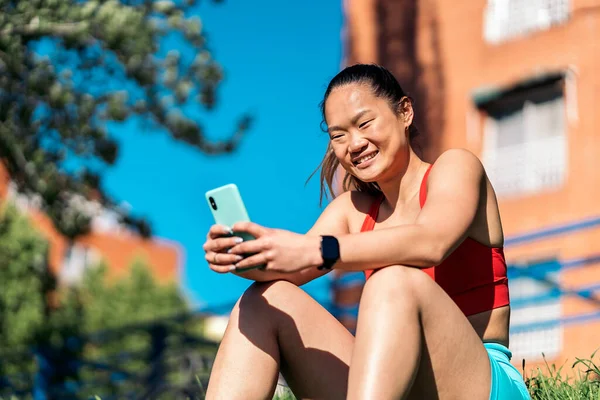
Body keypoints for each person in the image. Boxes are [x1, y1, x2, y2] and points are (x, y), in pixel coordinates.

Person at [202, 64, 530, 400]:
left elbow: (431, 242)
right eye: (338, 136)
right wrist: (240, 254)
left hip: (480, 384)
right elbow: (285, 266)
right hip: (393, 385)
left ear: (405, 112)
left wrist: (317, 250)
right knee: (263, 300)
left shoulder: (456, 168)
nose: (354, 144)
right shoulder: (352, 211)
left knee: (392, 280)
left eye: (364, 123)